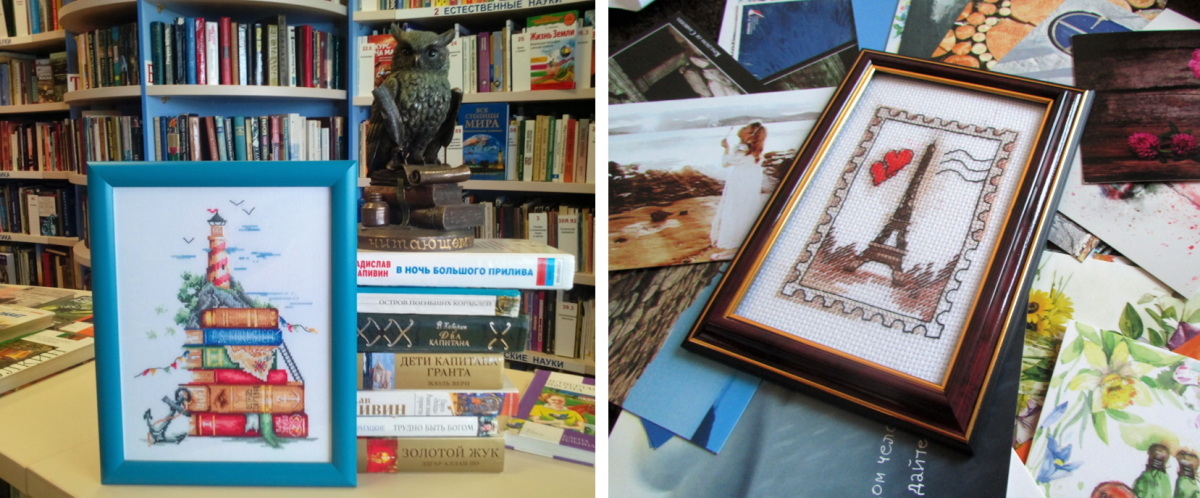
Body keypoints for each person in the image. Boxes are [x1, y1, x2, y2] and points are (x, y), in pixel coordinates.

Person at [710, 122, 767, 260]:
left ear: (750, 134)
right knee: (745, 210)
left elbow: (726, 163)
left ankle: (734, 247)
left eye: (746, 128)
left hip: (739, 184)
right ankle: (743, 243)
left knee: (735, 211)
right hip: (749, 184)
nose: (742, 128)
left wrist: (726, 149)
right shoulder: (754, 150)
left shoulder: (742, 148)